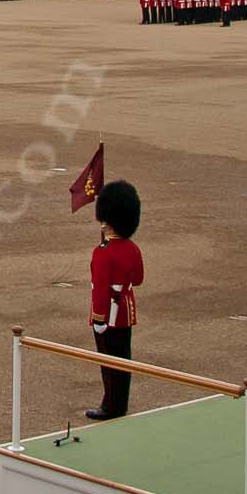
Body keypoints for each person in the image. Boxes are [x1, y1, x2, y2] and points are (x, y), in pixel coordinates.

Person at [86, 179, 144, 421]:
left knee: (108, 362)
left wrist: (99, 318)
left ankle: (110, 405)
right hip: (125, 311)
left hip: (107, 314)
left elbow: (100, 289)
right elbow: (138, 279)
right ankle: (120, 402)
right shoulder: (132, 248)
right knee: (123, 359)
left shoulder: (102, 252)